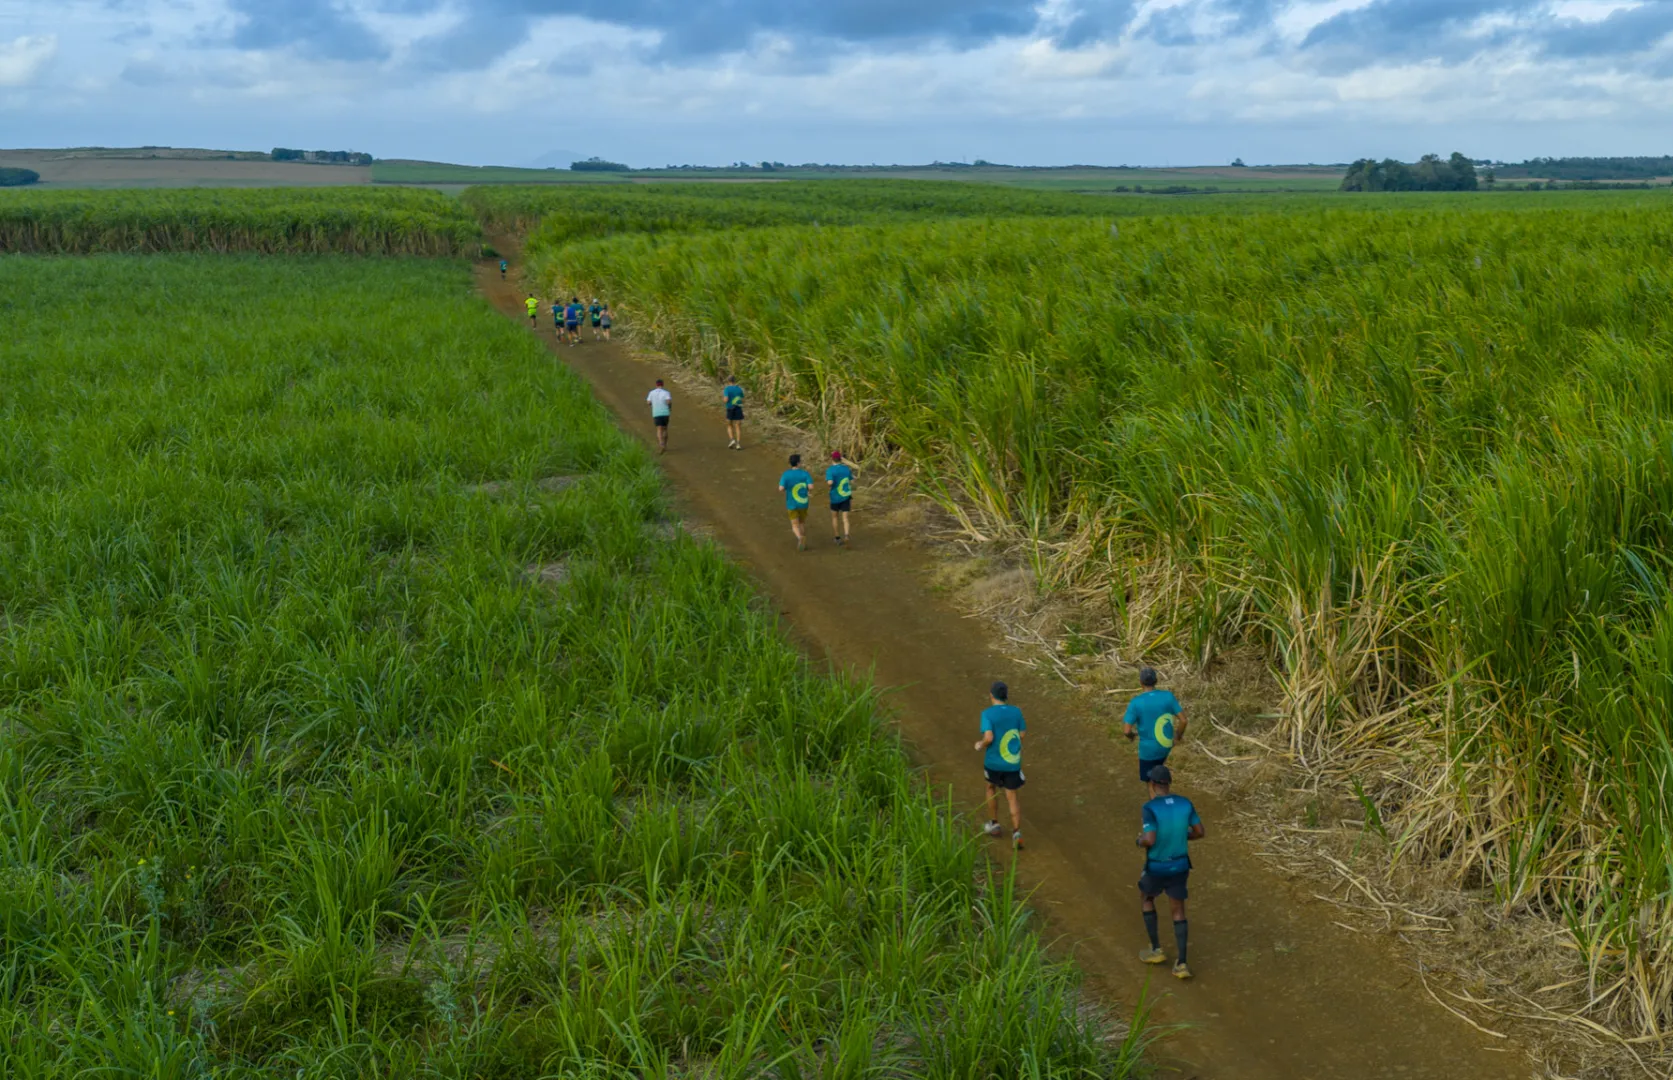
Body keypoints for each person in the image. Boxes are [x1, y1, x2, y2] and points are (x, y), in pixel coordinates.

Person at [1136, 764, 1203, 979]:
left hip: (1157, 866)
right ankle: (1181, 964)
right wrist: (1183, 836)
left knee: (1147, 898)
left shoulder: (1149, 808)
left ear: (1152, 784)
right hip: (1180, 866)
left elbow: (1150, 839)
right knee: (1178, 910)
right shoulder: (1185, 803)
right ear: (1169, 783)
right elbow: (1199, 831)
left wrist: (1140, 841)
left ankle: (1156, 949)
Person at [974, 681, 1025, 849]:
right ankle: (1016, 833)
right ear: (1006, 696)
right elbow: (1021, 734)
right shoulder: (1016, 712)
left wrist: (980, 744)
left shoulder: (987, 714)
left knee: (990, 788)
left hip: (993, 762)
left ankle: (994, 824)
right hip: (1012, 762)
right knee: (1012, 796)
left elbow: (988, 737)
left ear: (991, 695)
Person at [1123, 667, 1186, 783]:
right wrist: (1177, 737)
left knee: (1151, 782)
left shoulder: (1136, 702)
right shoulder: (1168, 696)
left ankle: (1157, 793)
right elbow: (1183, 720)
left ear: (1141, 682)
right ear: (1156, 681)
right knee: (1159, 774)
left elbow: (1126, 731)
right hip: (1166, 745)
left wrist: (1131, 736)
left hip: (1148, 751)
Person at [778, 454, 813, 550]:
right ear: (798, 463)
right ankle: (803, 540)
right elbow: (811, 486)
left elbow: (781, 488)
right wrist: (808, 491)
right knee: (801, 523)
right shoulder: (805, 473)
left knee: (794, 525)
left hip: (791, 503)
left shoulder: (786, 474)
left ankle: (800, 538)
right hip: (803, 502)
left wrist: (787, 488)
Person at [825, 450, 854, 546]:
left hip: (835, 497)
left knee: (835, 517)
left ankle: (837, 538)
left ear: (832, 459)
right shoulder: (846, 468)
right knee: (845, 518)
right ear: (840, 459)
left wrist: (830, 484)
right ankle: (847, 535)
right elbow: (851, 480)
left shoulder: (830, 470)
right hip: (846, 496)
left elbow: (830, 482)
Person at [646, 379, 672, 453]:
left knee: (659, 429)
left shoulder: (651, 393)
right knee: (665, 429)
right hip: (665, 412)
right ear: (662, 385)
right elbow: (668, 401)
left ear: (656, 385)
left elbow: (648, 402)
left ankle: (661, 444)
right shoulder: (666, 392)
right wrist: (669, 407)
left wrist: (653, 405)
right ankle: (665, 445)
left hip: (656, 413)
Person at [723, 375, 745, 449]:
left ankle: (732, 440)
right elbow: (742, 399)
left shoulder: (727, 389)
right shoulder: (739, 389)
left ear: (728, 381)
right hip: (738, 408)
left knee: (729, 424)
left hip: (730, 408)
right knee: (738, 426)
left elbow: (726, 399)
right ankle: (738, 444)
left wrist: (724, 401)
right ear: (734, 381)